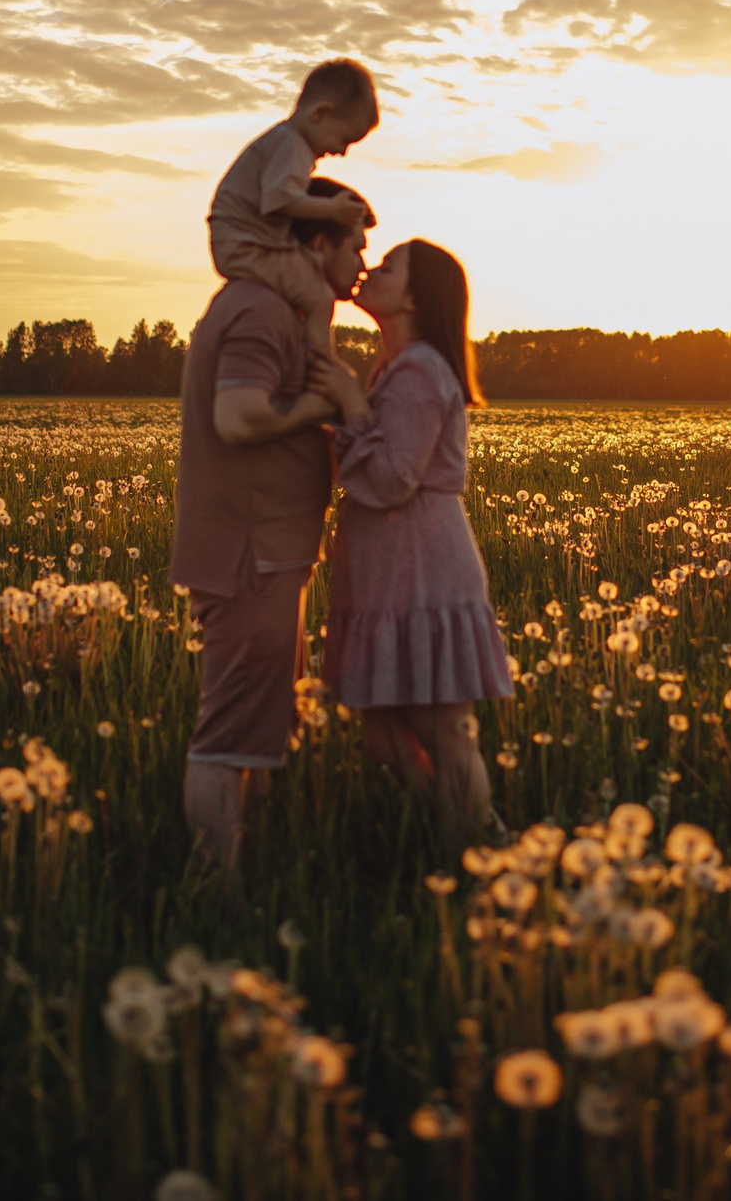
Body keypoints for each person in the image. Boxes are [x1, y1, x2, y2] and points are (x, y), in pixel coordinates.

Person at [171, 176, 374, 890]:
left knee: (259, 729)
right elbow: (238, 417)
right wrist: (321, 405)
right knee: (229, 735)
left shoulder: (273, 309)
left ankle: (238, 874)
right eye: (357, 244)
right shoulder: (260, 311)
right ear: (317, 244)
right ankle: (218, 894)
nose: (363, 262)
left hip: (263, 550)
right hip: (246, 553)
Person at [309, 238, 512, 855]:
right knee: (381, 725)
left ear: (416, 298)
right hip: (387, 566)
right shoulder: (396, 365)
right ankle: (474, 839)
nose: (372, 269)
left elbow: (395, 476)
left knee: (445, 730)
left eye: (389, 265)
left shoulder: (422, 367)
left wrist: (347, 409)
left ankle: (472, 854)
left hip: (422, 563)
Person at [207, 58, 379, 357]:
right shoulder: (292, 146)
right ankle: (322, 368)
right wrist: (331, 210)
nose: (342, 151)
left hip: (250, 242)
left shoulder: (285, 142)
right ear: (320, 113)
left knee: (308, 280)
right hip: (247, 246)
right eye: (344, 139)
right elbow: (280, 201)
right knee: (319, 296)